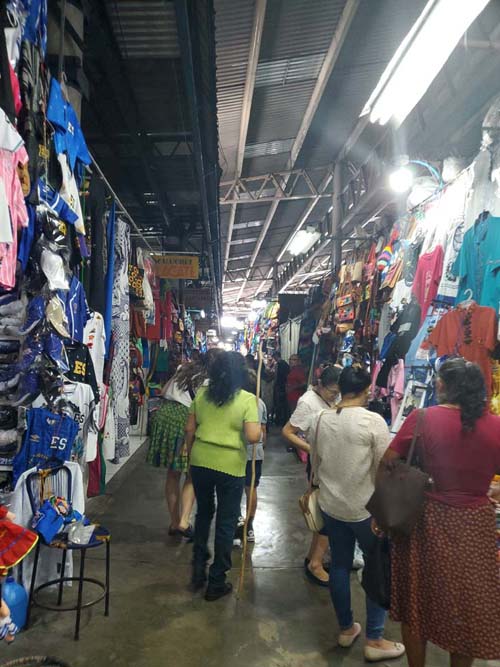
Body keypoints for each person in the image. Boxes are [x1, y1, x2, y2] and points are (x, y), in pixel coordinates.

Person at [381, 358, 500, 667]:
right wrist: (486, 488)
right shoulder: (496, 425)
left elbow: (388, 460)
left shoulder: (423, 418)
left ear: (445, 386)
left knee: (416, 605)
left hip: (429, 519)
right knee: (466, 608)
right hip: (477, 524)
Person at [312, 366, 405, 662]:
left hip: (332, 506)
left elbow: (316, 461)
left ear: (340, 388)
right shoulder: (373, 421)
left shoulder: (321, 419)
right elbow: (384, 469)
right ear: (366, 391)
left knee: (338, 566)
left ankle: (345, 629)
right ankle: (375, 639)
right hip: (366, 511)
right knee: (377, 569)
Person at [185, 351, 261, 601]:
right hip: (230, 465)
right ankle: (217, 580)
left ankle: (198, 568)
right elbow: (252, 437)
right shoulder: (248, 399)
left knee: (204, 512)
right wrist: (257, 430)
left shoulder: (202, 395)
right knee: (227, 521)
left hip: (200, 460)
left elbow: (189, 430)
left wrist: (190, 457)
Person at [282, 365, 341, 586]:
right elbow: (288, 432)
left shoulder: (329, 398)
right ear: (320, 385)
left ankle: (312, 558)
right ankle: (315, 564)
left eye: (337, 393)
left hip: (331, 462)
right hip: (320, 464)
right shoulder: (308, 402)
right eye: (332, 392)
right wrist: (311, 448)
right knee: (327, 512)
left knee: (324, 512)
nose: (335, 396)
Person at [147, 357, 208, 539]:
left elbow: (164, 390)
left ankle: (174, 522)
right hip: (184, 418)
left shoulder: (183, 368)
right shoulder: (206, 380)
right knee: (192, 472)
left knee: (173, 473)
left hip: (164, 415)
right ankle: (184, 521)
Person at [235, 369, 267, 543]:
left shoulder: (234, 401)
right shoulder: (260, 403)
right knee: (251, 489)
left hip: (237, 451)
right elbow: (263, 432)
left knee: (236, 489)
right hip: (255, 453)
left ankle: (237, 523)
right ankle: (249, 526)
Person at [272, 351, 290, 426]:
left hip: (279, 386)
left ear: (276, 356)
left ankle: (278, 420)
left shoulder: (279, 364)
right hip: (284, 386)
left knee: (278, 404)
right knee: (283, 404)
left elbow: (276, 376)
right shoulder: (285, 364)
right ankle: (284, 420)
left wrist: (275, 385)